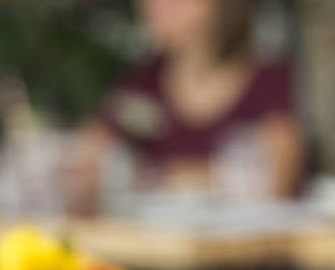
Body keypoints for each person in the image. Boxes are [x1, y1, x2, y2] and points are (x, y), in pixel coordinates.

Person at [68, 0, 303, 210]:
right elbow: (85, 164)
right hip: (156, 242)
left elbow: (277, 183)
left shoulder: (268, 81)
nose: (156, 5)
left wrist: (158, 177)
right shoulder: (142, 83)